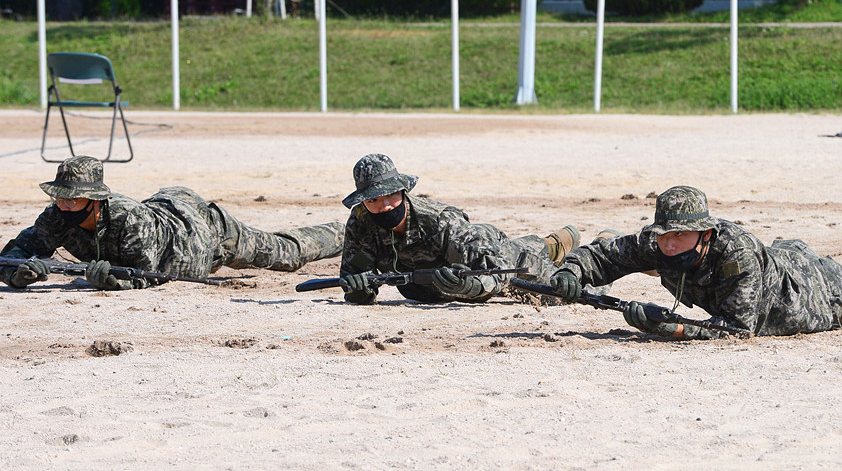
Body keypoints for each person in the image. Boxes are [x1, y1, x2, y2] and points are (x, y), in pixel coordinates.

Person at [0, 155, 345, 290]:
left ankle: (344, 231)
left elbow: (146, 274)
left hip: (204, 232)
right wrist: (19, 273)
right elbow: (15, 251)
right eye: (60, 196)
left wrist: (111, 282)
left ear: (96, 199)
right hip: (166, 209)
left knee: (285, 254)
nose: (65, 204)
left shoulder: (127, 218)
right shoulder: (57, 216)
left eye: (73, 197)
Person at [550, 185, 842, 339]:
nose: (670, 243)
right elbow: (603, 256)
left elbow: (738, 328)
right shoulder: (658, 242)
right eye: (664, 234)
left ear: (706, 234)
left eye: (680, 234)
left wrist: (672, 328)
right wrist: (570, 272)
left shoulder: (736, 254)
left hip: (815, 293)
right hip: (780, 259)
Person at [337, 153, 604, 305]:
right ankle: (552, 244)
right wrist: (358, 290)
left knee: (568, 290)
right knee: (523, 248)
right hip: (449, 274)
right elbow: (355, 278)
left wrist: (467, 287)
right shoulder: (361, 221)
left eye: (390, 196)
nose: (384, 206)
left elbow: (497, 273)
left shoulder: (442, 222)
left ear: (403, 191)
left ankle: (601, 245)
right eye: (373, 200)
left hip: (493, 254)